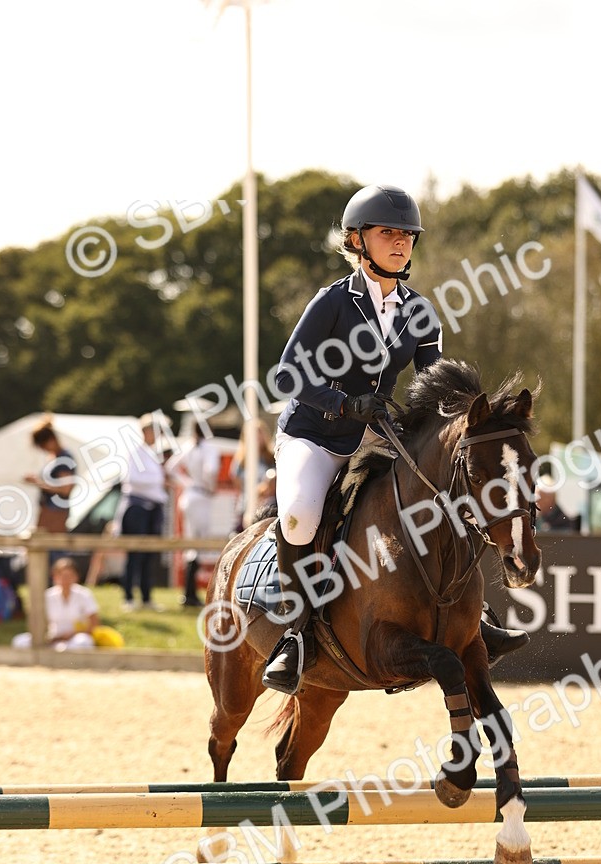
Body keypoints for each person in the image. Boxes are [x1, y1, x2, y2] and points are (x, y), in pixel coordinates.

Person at [261, 183, 527, 695]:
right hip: (314, 433)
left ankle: (476, 619)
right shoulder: (332, 302)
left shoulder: (419, 312)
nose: (402, 242)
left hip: (377, 433)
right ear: (357, 240)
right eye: (389, 233)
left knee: (447, 491)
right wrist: (343, 403)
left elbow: (435, 387)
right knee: (298, 515)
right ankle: (295, 636)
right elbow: (288, 374)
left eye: (407, 235)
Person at [117, 413, 169, 612]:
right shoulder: (136, 452)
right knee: (135, 555)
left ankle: (146, 597)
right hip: (137, 508)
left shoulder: (152, 454)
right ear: (146, 431)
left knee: (149, 555)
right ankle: (129, 597)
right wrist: (158, 481)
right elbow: (132, 479)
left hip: (152, 509)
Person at [168, 423, 220, 607]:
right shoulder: (208, 448)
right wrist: (209, 485)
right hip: (201, 496)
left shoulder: (188, 446)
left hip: (189, 496)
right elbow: (211, 470)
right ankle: (190, 592)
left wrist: (187, 483)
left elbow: (170, 467)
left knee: (192, 544)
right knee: (199, 545)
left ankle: (189, 591)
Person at [12, 557, 98, 650]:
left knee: (82, 642)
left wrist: (71, 635)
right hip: (53, 639)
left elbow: (94, 624)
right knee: (20, 641)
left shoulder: (84, 594)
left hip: (75, 638)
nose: (65, 579)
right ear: (55, 577)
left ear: (76, 577)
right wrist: (47, 637)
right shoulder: (48, 595)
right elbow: (37, 622)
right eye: (62, 575)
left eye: (69, 576)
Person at [24, 418, 78, 535]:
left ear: (51, 440)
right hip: (49, 509)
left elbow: (65, 489)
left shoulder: (64, 459)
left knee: (48, 543)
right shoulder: (55, 458)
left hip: (56, 511)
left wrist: (38, 483)